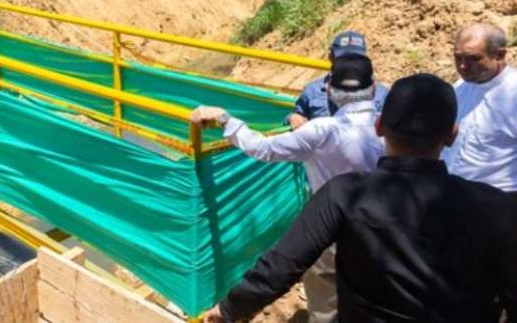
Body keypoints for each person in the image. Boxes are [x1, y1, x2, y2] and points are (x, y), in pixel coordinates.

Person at [202, 73, 517, 323]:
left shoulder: (344, 194)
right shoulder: (498, 209)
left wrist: (231, 308)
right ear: (452, 134)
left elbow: (282, 265)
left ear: (380, 126)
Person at [191, 55, 384, 323]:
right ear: (374, 88)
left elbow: (263, 149)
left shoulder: (322, 131)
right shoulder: (390, 129)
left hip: (332, 234)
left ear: (329, 89)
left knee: (326, 304)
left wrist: (226, 120)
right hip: (381, 234)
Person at [442, 23, 517, 203]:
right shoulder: (460, 88)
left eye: (473, 58)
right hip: (451, 196)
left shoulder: (513, 94)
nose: (462, 66)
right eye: (457, 57)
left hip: (498, 203)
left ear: (499, 55)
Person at [287, 31, 389, 130]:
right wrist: (293, 118)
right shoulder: (312, 91)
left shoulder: (382, 94)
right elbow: (296, 116)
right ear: (331, 57)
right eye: (343, 58)